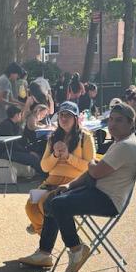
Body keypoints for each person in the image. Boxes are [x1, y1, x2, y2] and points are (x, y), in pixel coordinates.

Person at [20, 103, 136, 272]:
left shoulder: (122, 145)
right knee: (38, 204)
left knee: (56, 204)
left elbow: (93, 171)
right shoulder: (119, 143)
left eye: (119, 120)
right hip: (85, 187)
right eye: (111, 119)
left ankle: (76, 249)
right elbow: (49, 167)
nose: (112, 124)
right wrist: (65, 178)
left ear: (131, 123)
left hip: (107, 198)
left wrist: (72, 159)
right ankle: (45, 252)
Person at [24, 101, 95, 236]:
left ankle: (45, 241)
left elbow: (89, 167)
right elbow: (44, 167)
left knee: (44, 203)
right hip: (51, 182)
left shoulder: (85, 137)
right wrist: (55, 155)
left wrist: (68, 157)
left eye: (68, 115)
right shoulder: (52, 138)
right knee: (30, 205)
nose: (63, 118)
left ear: (75, 118)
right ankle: (42, 231)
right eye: (61, 115)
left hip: (73, 184)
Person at [0, 104, 44, 176]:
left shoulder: (14, 124)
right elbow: (12, 144)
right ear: (17, 115)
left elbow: (21, 140)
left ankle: (44, 171)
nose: (21, 116)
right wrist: (28, 152)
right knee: (32, 158)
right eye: (20, 114)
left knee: (38, 150)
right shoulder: (6, 125)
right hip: (5, 151)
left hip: (13, 149)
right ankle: (44, 174)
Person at [0, 62, 27, 126]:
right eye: (17, 74)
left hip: (4, 113)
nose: (17, 77)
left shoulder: (7, 81)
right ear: (12, 73)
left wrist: (23, 104)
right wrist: (13, 104)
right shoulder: (4, 81)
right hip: (0, 113)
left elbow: (11, 99)